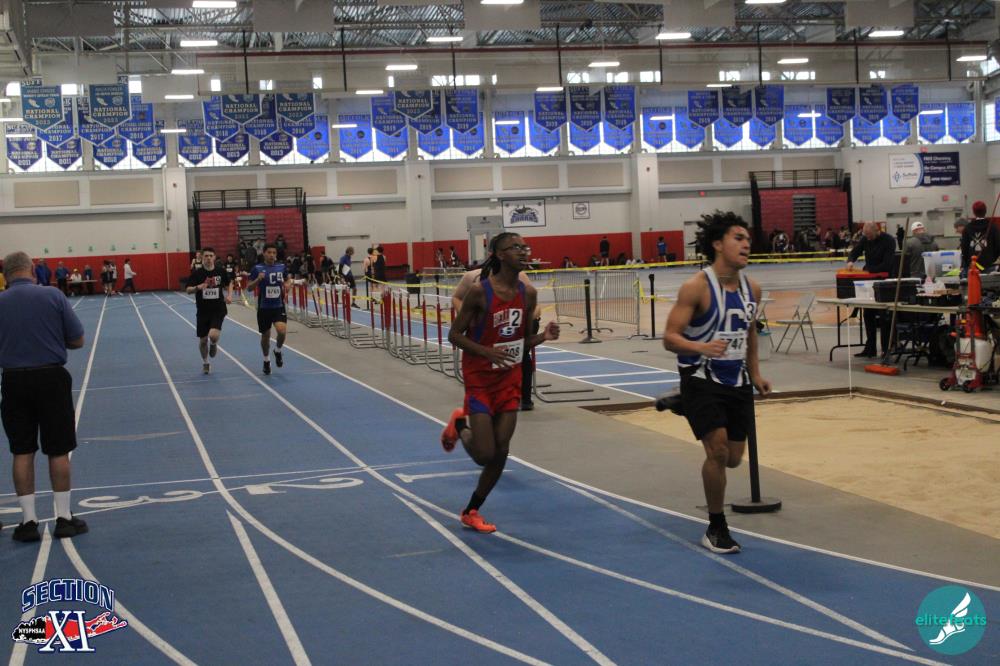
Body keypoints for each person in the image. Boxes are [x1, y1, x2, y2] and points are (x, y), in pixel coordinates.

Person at [662, 212, 771, 554]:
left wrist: (755, 373)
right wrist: (701, 347)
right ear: (717, 244)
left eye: (748, 239)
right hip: (700, 376)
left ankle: (685, 405)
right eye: (738, 238)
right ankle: (716, 526)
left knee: (734, 458)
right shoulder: (696, 287)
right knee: (718, 451)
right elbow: (669, 338)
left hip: (735, 379)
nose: (746, 244)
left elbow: (749, 333)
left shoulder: (752, 289)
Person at [441, 233, 560, 532]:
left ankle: (471, 510)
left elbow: (520, 342)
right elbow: (454, 335)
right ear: (499, 254)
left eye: (524, 247)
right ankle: (460, 425)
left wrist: (543, 337)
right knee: (485, 454)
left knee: (501, 451)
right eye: (515, 247)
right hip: (480, 378)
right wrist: (486, 351)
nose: (523, 251)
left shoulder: (527, 294)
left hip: (509, 378)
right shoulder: (479, 292)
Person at [0, 251, 88, 541]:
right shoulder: (53, 296)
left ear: (6, 274)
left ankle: (28, 522)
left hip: (13, 380)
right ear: (31, 269)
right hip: (51, 378)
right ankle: (63, 518)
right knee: (58, 448)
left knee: (22, 450)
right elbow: (77, 339)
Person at [452, 247, 543, 412]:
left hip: (514, 327)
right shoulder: (472, 278)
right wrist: (468, 317)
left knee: (521, 356)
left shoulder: (522, 278)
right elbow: (457, 298)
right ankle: (484, 396)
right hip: (486, 330)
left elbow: (535, 307)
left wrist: (529, 317)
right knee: (488, 357)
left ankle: (524, 397)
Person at [846, 221, 897, 357]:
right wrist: (851, 260)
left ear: (876, 231)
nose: (867, 238)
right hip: (870, 281)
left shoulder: (889, 241)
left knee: (884, 316)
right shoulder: (866, 239)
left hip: (885, 282)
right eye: (866, 235)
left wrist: (869, 270)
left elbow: (887, 264)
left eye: (869, 235)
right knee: (868, 314)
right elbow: (855, 251)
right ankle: (870, 348)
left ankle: (886, 348)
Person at [185, 247, 233, 375]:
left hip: (218, 309)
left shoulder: (220, 271)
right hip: (203, 311)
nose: (208, 258)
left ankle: (213, 343)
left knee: (213, 335)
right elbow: (188, 290)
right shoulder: (197, 274)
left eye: (211, 256)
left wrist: (229, 295)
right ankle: (206, 362)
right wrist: (198, 287)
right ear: (202, 257)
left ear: (214, 257)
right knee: (202, 341)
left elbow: (229, 283)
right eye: (206, 256)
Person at [246, 244, 291, 375]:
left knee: (281, 331)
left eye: (274, 253)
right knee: (265, 336)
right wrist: (257, 280)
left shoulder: (281, 267)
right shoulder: (257, 268)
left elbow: (288, 279)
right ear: (264, 253)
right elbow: (249, 287)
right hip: (264, 308)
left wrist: (287, 285)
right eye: (269, 252)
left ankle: (277, 350)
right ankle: (266, 360)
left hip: (278, 306)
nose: (272, 255)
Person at [961, 200, 1000, 274]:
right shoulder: (993, 227)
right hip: (990, 266)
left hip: (973, 267)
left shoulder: (967, 228)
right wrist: (992, 258)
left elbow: (964, 248)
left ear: (974, 212)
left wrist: (967, 263)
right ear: (985, 211)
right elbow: (998, 246)